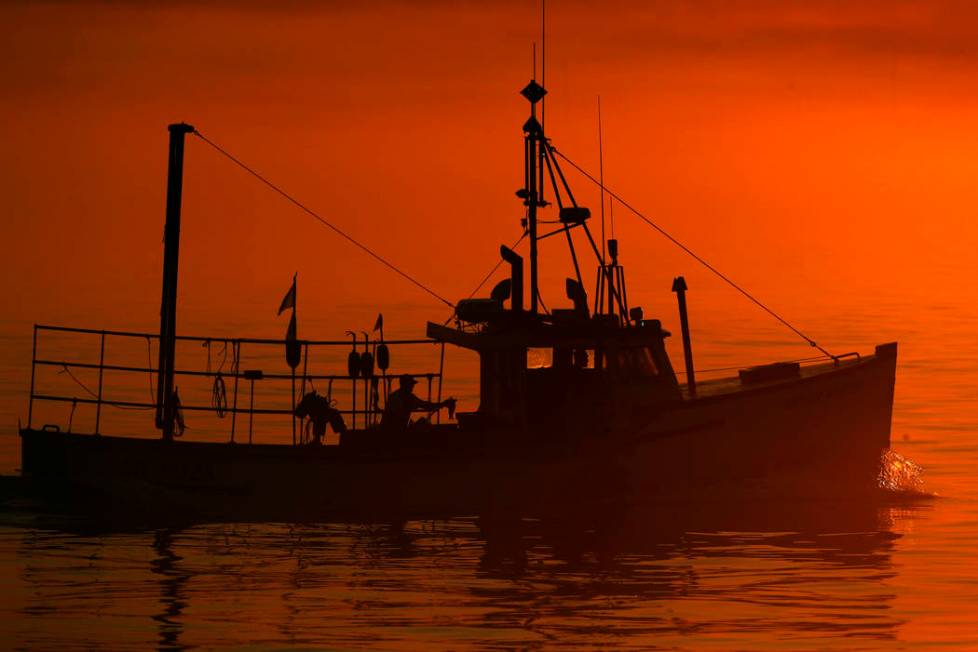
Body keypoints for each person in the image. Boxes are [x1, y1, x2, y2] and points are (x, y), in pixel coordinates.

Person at [381, 374, 455, 431]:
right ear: (406, 385)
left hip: (386, 427)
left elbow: (424, 405)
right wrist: (443, 404)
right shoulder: (407, 397)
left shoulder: (393, 395)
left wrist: (442, 404)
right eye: (411, 384)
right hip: (398, 430)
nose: (413, 387)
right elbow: (425, 405)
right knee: (424, 422)